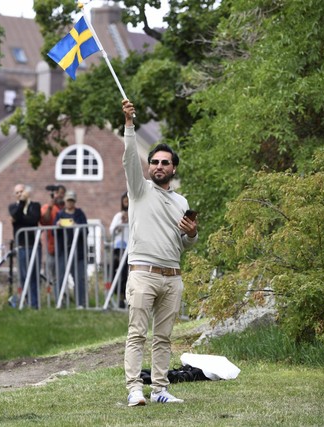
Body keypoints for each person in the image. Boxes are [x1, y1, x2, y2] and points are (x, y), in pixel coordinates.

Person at [121, 100, 198, 406]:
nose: (159, 167)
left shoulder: (181, 201)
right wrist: (129, 125)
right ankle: (134, 389)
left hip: (173, 277)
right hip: (143, 274)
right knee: (137, 333)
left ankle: (160, 390)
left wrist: (192, 234)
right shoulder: (139, 190)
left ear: (173, 168)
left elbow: (185, 243)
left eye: (165, 162)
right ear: (149, 166)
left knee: (163, 337)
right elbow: (129, 160)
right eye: (154, 162)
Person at [9, 184, 42, 308]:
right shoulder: (13, 207)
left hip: (34, 245)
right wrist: (21, 204)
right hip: (22, 246)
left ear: (27, 192)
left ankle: (35, 304)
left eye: (21, 192)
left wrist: (20, 218)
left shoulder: (35, 206)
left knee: (34, 275)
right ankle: (25, 301)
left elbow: (33, 220)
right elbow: (16, 216)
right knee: (23, 275)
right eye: (17, 192)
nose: (19, 194)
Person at [54, 190, 88, 308]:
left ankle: (80, 303)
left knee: (79, 278)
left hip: (78, 252)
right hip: (63, 251)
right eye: (68, 200)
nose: (70, 203)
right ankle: (60, 302)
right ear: (65, 201)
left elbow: (86, 230)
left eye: (72, 201)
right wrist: (58, 225)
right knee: (60, 276)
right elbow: (54, 232)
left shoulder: (80, 213)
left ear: (75, 201)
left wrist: (76, 225)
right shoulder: (59, 214)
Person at [39, 184, 66, 292]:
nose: (59, 196)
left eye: (62, 194)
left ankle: (65, 297)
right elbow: (44, 221)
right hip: (52, 247)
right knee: (52, 275)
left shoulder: (66, 208)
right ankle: (56, 299)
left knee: (64, 273)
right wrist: (50, 207)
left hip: (65, 246)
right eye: (57, 193)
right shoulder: (47, 207)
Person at [109, 192, 130, 308]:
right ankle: (119, 296)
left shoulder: (135, 215)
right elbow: (112, 231)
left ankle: (126, 296)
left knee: (127, 274)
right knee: (118, 273)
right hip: (119, 248)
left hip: (130, 248)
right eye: (124, 201)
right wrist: (121, 224)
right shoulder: (118, 216)